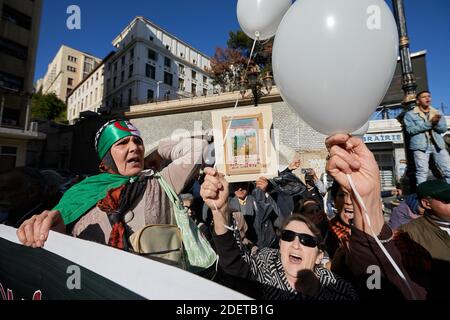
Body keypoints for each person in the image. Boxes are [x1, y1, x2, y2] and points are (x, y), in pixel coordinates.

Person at [16, 119, 207, 252]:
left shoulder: (158, 183)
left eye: (138, 142)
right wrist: (49, 231)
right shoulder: (81, 192)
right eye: (123, 143)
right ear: (107, 157)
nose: (134, 148)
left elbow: (197, 149)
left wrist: (156, 153)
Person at [200, 172, 357, 300]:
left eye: (306, 240)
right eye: (288, 236)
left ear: (319, 256)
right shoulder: (267, 264)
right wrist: (219, 211)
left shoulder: (338, 291)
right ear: (280, 245)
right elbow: (234, 264)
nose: (296, 244)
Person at [324, 133, 427, 299]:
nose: (349, 201)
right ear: (334, 201)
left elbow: (377, 281)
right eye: (343, 195)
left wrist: (367, 196)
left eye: (352, 194)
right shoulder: (327, 233)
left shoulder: (395, 239)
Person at [403, 91, 450, 185]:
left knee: (448, 170)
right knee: (422, 172)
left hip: (437, 145)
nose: (427, 98)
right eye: (424, 97)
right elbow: (410, 130)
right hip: (420, 146)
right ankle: (422, 196)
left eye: (429, 96)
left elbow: (443, 129)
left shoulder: (437, 112)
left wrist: (436, 124)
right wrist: (429, 124)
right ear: (418, 101)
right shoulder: (410, 114)